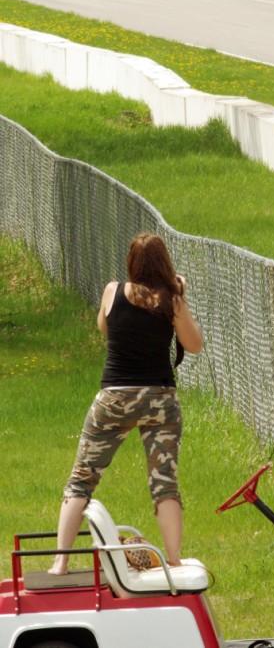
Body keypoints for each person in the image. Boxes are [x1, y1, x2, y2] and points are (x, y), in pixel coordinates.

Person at [49, 232, 203, 575]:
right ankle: (174, 558)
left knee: (82, 479)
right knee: (164, 483)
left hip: (114, 396)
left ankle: (60, 562)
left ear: (131, 263)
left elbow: (106, 327)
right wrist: (180, 297)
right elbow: (194, 344)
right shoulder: (170, 300)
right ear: (164, 265)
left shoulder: (111, 291)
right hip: (159, 399)